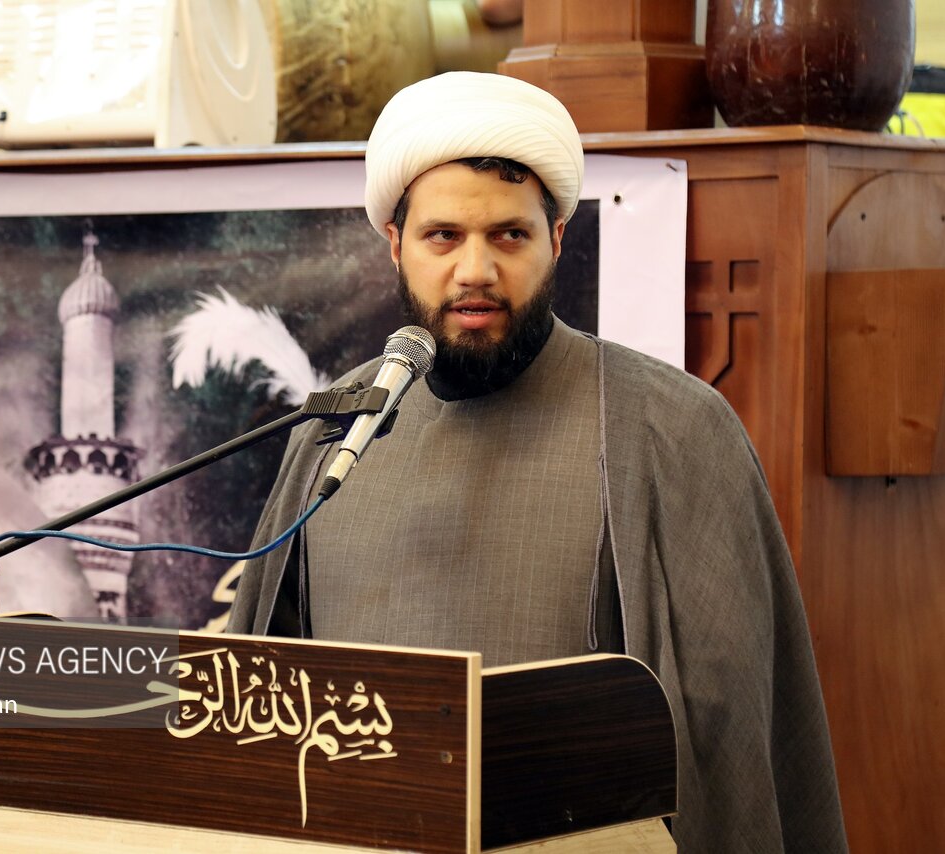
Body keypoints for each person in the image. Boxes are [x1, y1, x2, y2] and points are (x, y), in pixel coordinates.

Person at [228, 71, 847, 853]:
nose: (475, 270)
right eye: (443, 236)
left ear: (556, 239)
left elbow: (729, 753)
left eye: (509, 236)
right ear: (395, 244)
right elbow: (254, 707)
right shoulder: (335, 427)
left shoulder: (672, 429)